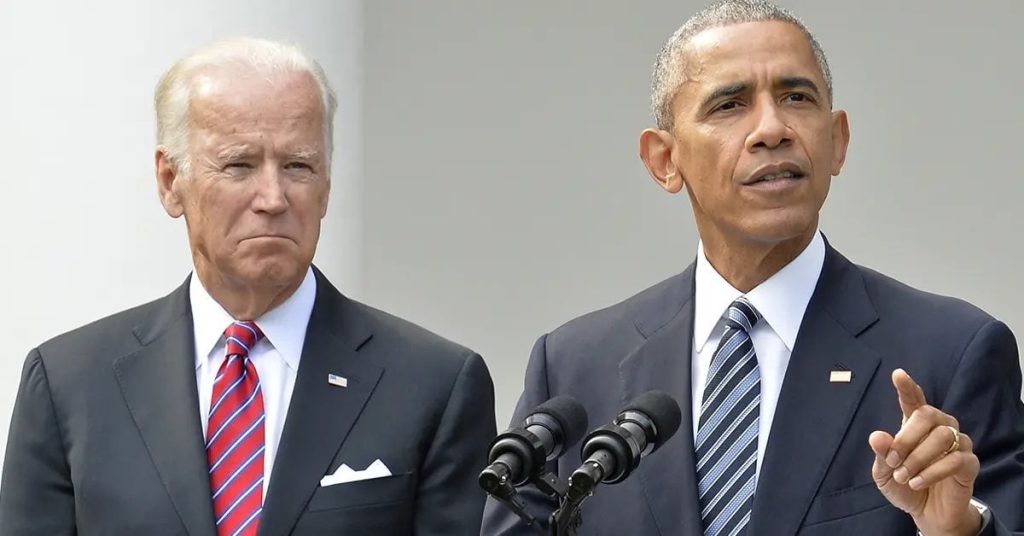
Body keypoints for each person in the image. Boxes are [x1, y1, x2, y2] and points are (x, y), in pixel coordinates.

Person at [481, 1, 1024, 535]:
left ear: (837, 141)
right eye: (729, 105)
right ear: (664, 160)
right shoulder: (573, 366)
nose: (772, 128)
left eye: (796, 97)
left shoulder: (950, 353)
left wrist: (955, 531)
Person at [0, 37, 496, 535]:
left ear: (326, 185)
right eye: (239, 165)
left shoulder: (433, 385)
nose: (273, 198)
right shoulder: (70, 385)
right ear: (170, 181)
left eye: (298, 166)